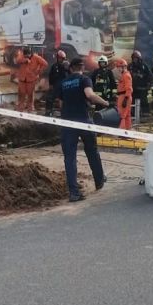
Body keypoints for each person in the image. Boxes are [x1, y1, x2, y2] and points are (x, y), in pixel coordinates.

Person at [57, 58, 110, 202]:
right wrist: (105, 103)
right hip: (84, 121)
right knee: (92, 151)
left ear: (71, 68)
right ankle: (99, 180)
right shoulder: (84, 79)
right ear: (82, 67)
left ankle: (74, 193)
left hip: (67, 122)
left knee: (70, 158)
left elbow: (60, 103)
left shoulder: (63, 83)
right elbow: (90, 95)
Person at [14, 47, 48, 112]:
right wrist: (25, 60)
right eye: (25, 55)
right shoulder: (21, 56)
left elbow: (45, 64)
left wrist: (38, 71)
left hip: (31, 79)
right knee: (21, 94)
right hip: (22, 79)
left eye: (27, 55)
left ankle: (30, 109)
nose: (26, 56)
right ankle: (20, 108)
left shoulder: (36, 57)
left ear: (30, 53)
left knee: (30, 95)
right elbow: (17, 60)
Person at [128, 50, 153, 121]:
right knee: (132, 102)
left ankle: (145, 117)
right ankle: (133, 116)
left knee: (144, 102)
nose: (135, 60)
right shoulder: (130, 66)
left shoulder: (144, 66)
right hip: (133, 88)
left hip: (142, 89)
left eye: (136, 58)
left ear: (139, 58)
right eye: (134, 58)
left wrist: (149, 85)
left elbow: (150, 76)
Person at [45, 49, 70, 116]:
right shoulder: (54, 65)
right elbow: (51, 75)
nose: (60, 59)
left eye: (61, 58)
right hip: (56, 85)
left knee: (65, 99)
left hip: (64, 85)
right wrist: (50, 84)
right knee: (49, 97)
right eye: (59, 58)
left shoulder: (66, 65)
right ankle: (48, 112)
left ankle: (65, 113)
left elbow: (69, 74)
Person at [114, 58, 133, 130]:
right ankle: (128, 130)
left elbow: (129, 88)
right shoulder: (124, 75)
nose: (118, 69)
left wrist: (125, 99)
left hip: (124, 96)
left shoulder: (126, 76)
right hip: (124, 96)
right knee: (127, 115)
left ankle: (122, 131)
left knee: (122, 115)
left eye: (119, 67)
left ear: (123, 67)